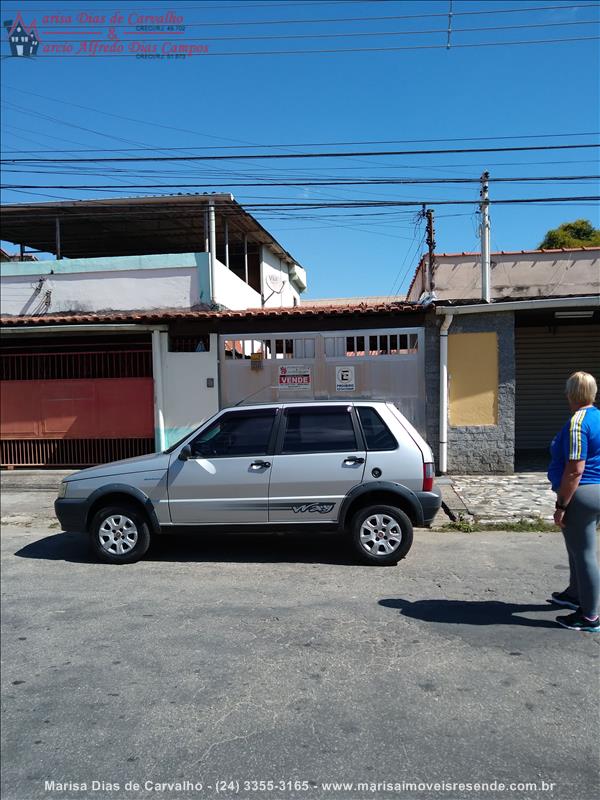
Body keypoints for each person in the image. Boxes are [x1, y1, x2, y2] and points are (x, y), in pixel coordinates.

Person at [547, 371, 600, 632]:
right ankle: (574, 594)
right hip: (595, 491)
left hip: (582, 493)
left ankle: (590, 616)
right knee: (576, 549)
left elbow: (575, 469)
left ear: (572, 393)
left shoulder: (579, 422)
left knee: (585, 553)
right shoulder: (598, 416)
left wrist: (562, 505)